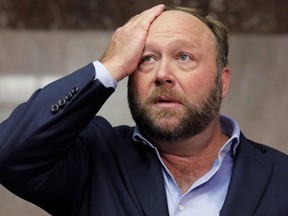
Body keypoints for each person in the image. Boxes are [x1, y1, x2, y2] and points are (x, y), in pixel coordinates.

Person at [0, 4, 288, 216]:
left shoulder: (280, 177)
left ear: (222, 82)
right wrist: (109, 66)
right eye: (146, 58)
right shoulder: (92, 158)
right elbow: (9, 154)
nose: (162, 73)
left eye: (184, 57)